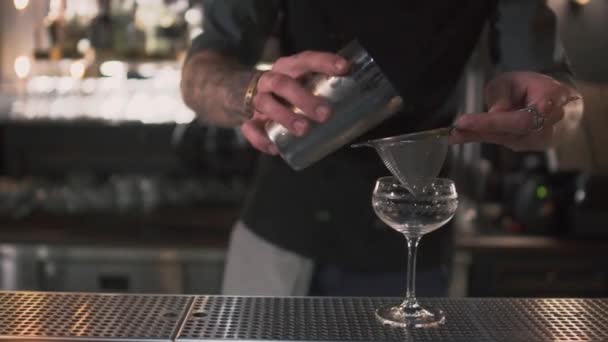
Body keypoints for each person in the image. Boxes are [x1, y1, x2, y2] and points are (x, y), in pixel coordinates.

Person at [180, 0, 583, 296]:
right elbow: (199, 74)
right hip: (280, 241)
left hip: (412, 243)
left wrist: (547, 113)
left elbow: (562, 108)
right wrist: (250, 92)